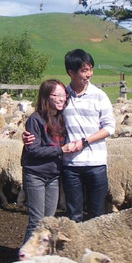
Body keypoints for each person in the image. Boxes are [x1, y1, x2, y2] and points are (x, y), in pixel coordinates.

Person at [24, 48, 115, 220]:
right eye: (84, 70)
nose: (89, 74)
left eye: (91, 69)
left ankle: (94, 247)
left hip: (96, 163)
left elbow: (110, 127)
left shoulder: (99, 96)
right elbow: (46, 119)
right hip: (70, 165)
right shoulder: (63, 96)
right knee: (74, 214)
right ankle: (76, 248)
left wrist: (85, 141)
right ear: (71, 72)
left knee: (97, 215)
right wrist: (29, 134)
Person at [20, 78, 79, 242]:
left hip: (53, 176)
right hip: (35, 174)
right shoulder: (36, 119)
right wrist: (61, 150)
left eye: (63, 95)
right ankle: (25, 258)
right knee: (37, 221)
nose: (61, 99)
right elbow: (33, 150)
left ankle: (42, 257)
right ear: (46, 97)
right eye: (56, 95)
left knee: (49, 220)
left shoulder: (62, 118)